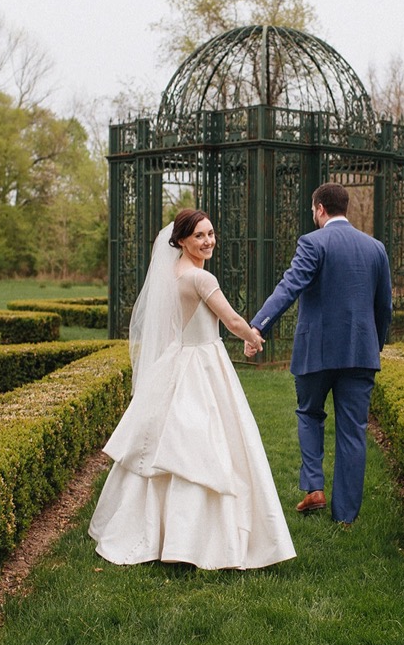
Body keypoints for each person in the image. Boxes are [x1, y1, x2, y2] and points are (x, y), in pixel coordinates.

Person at [88, 209, 295, 569]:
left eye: (211, 234)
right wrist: (252, 339)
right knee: (207, 443)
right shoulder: (201, 278)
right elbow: (231, 320)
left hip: (181, 359)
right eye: (199, 235)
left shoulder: (174, 273)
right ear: (181, 240)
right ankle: (200, 539)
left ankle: (165, 532)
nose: (208, 241)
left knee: (172, 444)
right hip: (202, 362)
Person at [246, 182, 392, 525]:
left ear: (320, 209)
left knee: (309, 413)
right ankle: (345, 517)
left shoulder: (312, 243)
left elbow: (289, 287)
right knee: (353, 430)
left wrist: (257, 327)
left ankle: (314, 486)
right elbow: (383, 307)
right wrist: (375, 344)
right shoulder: (376, 248)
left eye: (313, 210)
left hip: (316, 352)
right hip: (361, 354)